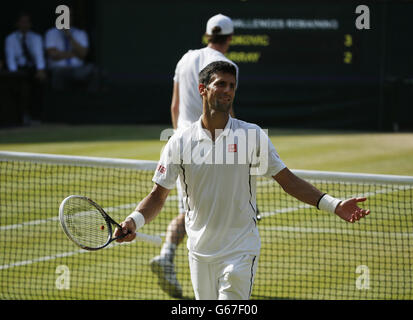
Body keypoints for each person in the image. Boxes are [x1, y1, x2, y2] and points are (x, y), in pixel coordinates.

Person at [114, 61, 370, 300]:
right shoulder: (179, 142)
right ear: (203, 89)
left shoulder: (251, 135)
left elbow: (288, 181)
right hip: (199, 252)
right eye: (221, 84)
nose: (228, 91)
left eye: (232, 86)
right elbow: (158, 196)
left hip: (240, 249)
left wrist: (333, 204)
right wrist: (133, 221)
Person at [149, 14, 238, 298]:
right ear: (230, 38)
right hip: (211, 143)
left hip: (181, 142)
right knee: (216, 213)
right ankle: (218, 278)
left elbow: (175, 106)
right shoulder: (228, 67)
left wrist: (178, 142)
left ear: (207, 34)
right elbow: (225, 111)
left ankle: (166, 255)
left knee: (191, 210)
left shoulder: (185, 59)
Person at [4, 12, 47, 125]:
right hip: (18, 70)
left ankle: (36, 117)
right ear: (17, 24)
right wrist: (14, 75)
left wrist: (40, 70)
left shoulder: (36, 38)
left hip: (32, 69)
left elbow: (39, 55)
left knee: (39, 83)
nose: (25, 24)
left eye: (27, 22)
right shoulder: (10, 39)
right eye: (22, 22)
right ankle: (20, 117)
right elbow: (10, 58)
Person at [44, 10, 98, 91]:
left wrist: (69, 36)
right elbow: (53, 55)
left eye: (68, 17)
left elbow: (83, 54)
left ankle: (90, 100)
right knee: (58, 73)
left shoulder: (80, 33)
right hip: (59, 69)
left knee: (94, 70)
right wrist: (74, 54)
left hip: (78, 69)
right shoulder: (51, 33)